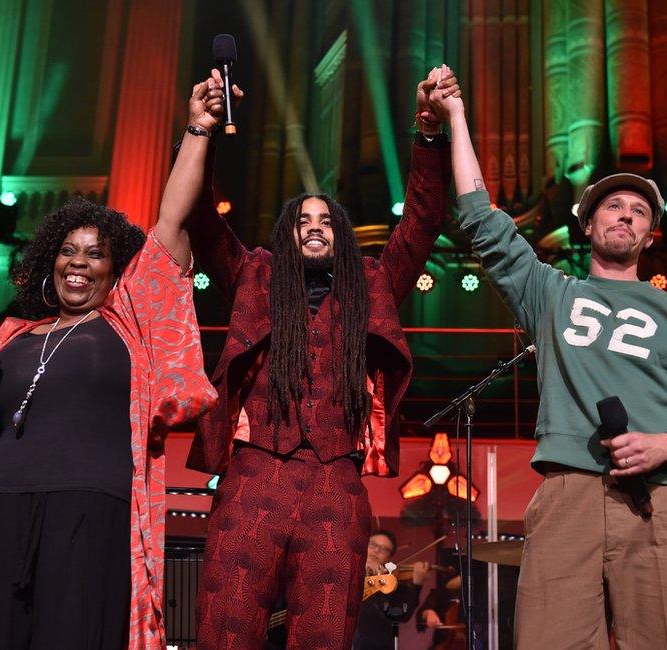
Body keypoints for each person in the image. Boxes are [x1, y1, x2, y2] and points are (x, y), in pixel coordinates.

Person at [429, 89, 667, 648]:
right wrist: (456, 116)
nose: (625, 215)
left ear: (650, 235)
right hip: (567, 491)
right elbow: (480, 216)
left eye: (639, 211)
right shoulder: (551, 294)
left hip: (663, 496)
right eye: (612, 206)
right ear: (587, 225)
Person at [162, 66, 458, 648]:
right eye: (303, 220)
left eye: (327, 220)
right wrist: (202, 130)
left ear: (342, 234)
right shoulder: (255, 275)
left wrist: (427, 133)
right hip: (253, 474)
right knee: (226, 629)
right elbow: (198, 218)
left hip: (335, 479)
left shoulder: (372, 284)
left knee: (325, 633)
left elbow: (422, 222)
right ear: (286, 232)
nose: (315, 228)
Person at [0, 196, 216, 648]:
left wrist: (199, 131)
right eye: (67, 250)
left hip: (89, 510)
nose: (78, 262)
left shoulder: (129, 326)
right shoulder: (9, 337)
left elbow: (171, 226)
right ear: (50, 260)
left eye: (96, 253)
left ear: (118, 272)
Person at [353, 530, 430, 650]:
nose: (377, 550)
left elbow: (402, 615)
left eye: (384, 549)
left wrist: (417, 584)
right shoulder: (347, 572)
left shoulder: (392, 584)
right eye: (373, 544)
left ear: (389, 558)